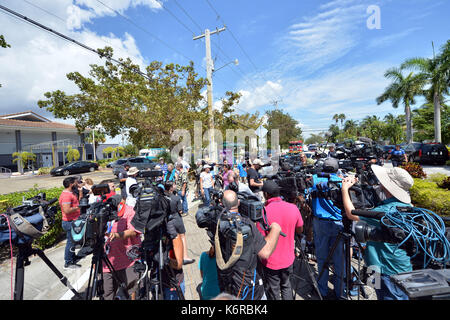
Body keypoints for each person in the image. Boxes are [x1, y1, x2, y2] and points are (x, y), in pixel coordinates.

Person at [341, 165, 414, 300]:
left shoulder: (385, 211)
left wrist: (345, 189)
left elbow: (351, 214)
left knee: (385, 294)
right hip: (403, 266)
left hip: (385, 271)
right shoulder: (410, 207)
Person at [215, 190, 282, 300]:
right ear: (239, 202)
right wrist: (275, 229)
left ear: (221, 204)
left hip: (228, 281)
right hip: (248, 287)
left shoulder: (219, 219)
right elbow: (265, 252)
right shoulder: (246, 225)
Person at [258, 180, 304, 300]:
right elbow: (300, 230)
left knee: (273, 290)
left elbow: (260, 239)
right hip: (288, 258)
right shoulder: (293, 208)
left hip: (270, 261)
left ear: (266, 194)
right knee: (286, 285)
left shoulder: (263, 212)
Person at [310, 157, 346, 299]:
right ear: (337, 169)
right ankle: (340, 292)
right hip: (339, 224)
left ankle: (322, 291)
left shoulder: (314, 179)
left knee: (322, 258)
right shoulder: (341, 181)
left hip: (321, 224)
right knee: (339, 260)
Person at [103, 203, 142, 300]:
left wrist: (116, 235)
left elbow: (133, 231)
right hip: (106, 262)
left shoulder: (128, 210)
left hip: (126, 260)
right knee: (107, 294)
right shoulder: (100, 211)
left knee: (132, 290)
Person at [164, 181, 195, 265]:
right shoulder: (176, 198)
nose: (175, 186)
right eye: (174, 185)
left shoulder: (163, 198)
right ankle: (185, 256)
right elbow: (180, 211)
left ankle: (171, 257)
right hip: (176, 218)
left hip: (167, 220)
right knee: (182, 236)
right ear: (171, 188)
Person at [59, 176, 82, 269]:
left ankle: (72, 257)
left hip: (74, 220)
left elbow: (79, 202)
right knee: (70, 242)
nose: (78, 184)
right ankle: (68, 262)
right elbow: (67, 210)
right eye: (76, 183)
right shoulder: (66, 195)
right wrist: (78, 208)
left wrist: (80, 191)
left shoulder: (71, 193)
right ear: (71, 184)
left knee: (73, 241)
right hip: (69, 222)